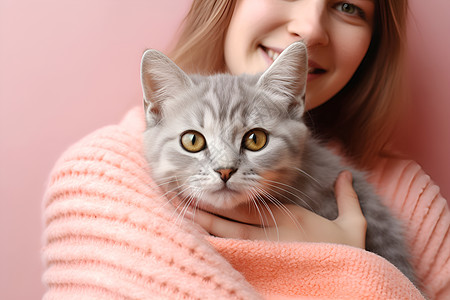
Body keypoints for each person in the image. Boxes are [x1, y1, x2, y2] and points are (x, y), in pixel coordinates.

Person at [42, 0, 450, 299]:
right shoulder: (101, 178)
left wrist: (348, 262)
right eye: (194, 141)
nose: (223, 167)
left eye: (347, 5)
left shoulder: (410, 197)